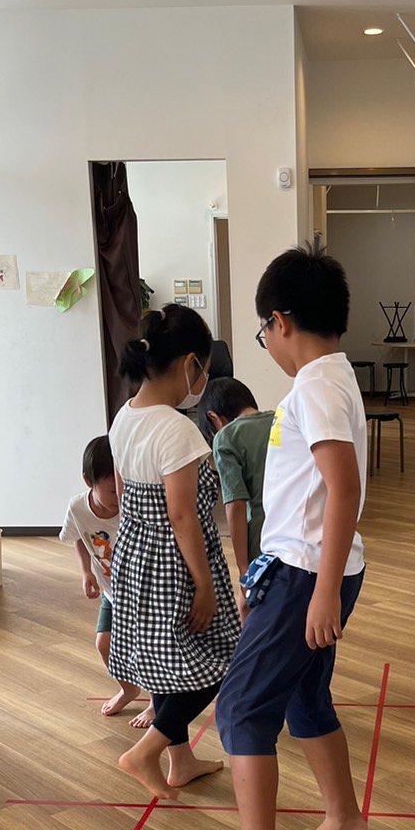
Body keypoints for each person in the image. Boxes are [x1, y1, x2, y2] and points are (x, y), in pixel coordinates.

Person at [211, 243, 368, 830]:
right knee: (305, 700)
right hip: (306, 568)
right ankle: (344, 818)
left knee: (240, 707)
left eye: (262, 333)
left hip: (308, 574)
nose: (266, 344)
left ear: (279, 322)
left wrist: (322, 590)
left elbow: (343, 488)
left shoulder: (317, 387)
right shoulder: (328, 380)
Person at [108, 305, 240, 799]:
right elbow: (183, 516)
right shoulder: (177, 429)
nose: (203, 379)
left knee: (167, 660)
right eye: (204, 367)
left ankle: (180, 761)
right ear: (189, 364)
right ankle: (146, 751)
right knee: (218, 660)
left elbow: (124, 494)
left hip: (135, 553)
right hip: (176, 562)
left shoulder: (124, 417)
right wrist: (204, 584)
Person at [59, 435, 151, 725]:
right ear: (89, 482)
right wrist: (86, 571)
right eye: (113, 491)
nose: (120, 496)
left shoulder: (133, 507)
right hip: (113, 594)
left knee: (148, 649)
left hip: (145, 594)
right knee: (103, 643)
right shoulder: (77, 508)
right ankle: (128, 689)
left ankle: (157, 703)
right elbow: (77, 536)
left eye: (125, 487)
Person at [201, 377, 275, 577]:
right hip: (300, 533)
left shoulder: (227, 437)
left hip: (262, 539)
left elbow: (236, 505)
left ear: (213, 417)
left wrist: (243, 567)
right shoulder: (282, 420)